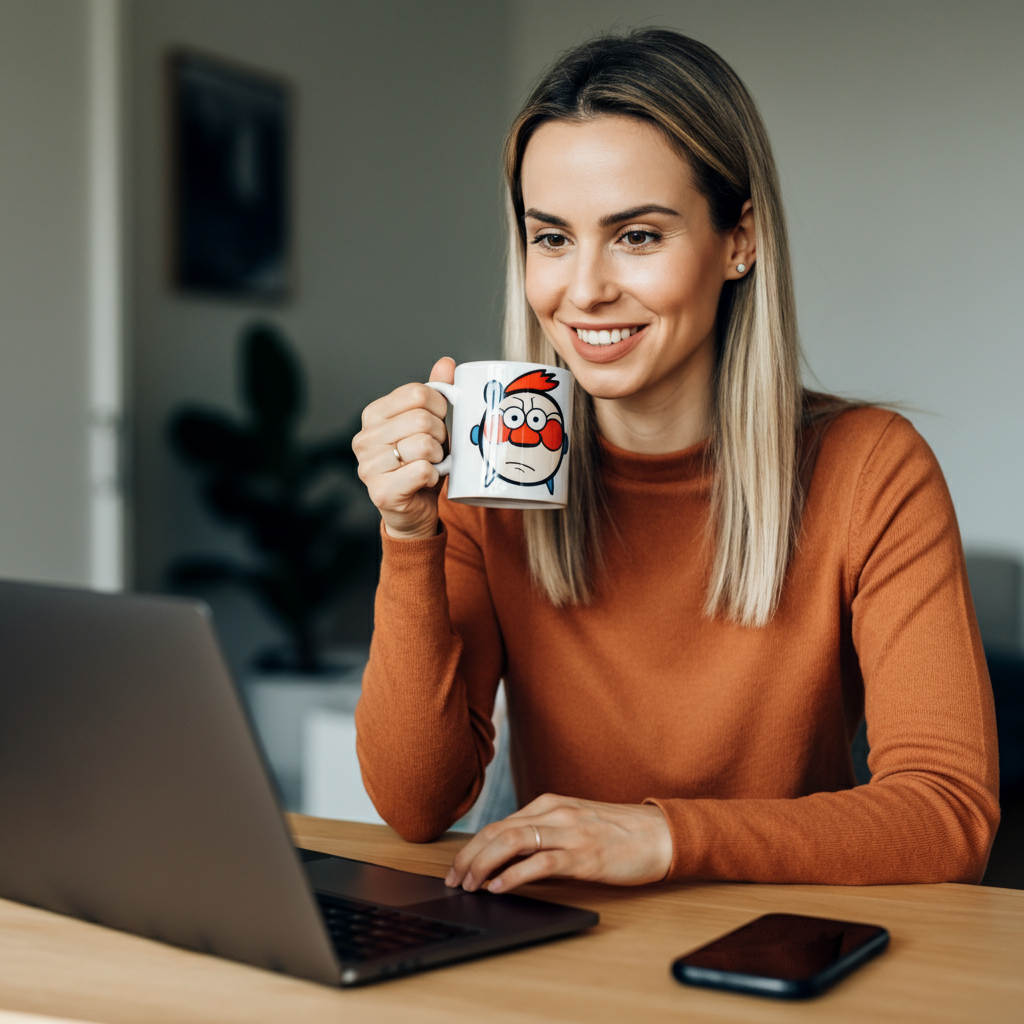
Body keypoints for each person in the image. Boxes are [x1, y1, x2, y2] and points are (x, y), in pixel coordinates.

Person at [351, 29, 998, 894]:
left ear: (740, 241)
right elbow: (416, 804)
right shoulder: (495, 463)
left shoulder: (871, 469)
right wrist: (408, 534)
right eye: (552, 238)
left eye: (637, 236)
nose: (585, 291)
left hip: (773, 940)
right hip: (557, 940)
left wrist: (665, 837)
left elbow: (947, 815)